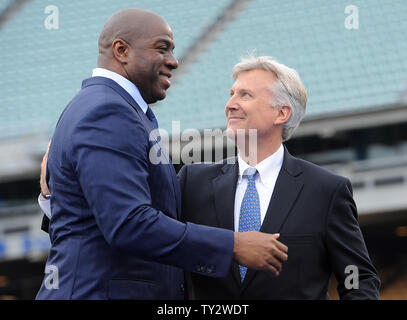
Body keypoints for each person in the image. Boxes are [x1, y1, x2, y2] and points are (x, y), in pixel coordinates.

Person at [36, 10, 288, 300]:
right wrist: (232, 245)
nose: (173, 61)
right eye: (162, 47)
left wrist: (54, 200)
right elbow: (128, 223)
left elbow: (94, 219)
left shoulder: (115, 108)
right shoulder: (107, 112)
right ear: (122, 50)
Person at [179, 56, 381, 299]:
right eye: (231, 93)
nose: (230, 104)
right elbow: (162, 247)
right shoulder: (192, 182)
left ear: (281, 113)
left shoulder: (326, 190)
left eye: (245, 95)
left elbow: (359, 279)